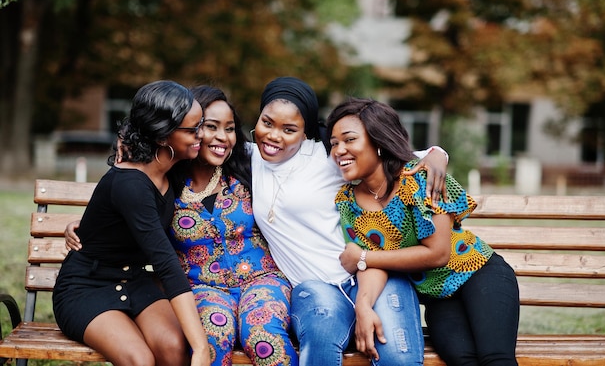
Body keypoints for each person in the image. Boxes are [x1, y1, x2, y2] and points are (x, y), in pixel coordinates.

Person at [250, 76, 449, 366]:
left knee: (396, 356)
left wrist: (437, 156)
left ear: (305, 131)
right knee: (320, 346)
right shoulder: (248, 157)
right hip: (317, 287)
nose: (274, 136)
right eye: (267, 123)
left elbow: (417, 155)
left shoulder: (328, 157)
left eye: (289, 129)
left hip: (373, 273)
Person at [326, 97, 520, 366]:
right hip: (439, 299)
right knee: (462, 360)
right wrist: (364, 304)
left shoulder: (420, 177)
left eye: (349, 139)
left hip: (479, 274)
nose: (339, 150)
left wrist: (363, 257)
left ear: (379, 142)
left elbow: (437, 253)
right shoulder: (348, 202)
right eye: (334, 143)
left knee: (495, 359)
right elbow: (371, 265)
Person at [53, 80, 212, 366]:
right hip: (87, 287)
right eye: (192, 129)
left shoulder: (175, 168)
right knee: (140, 359)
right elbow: (165, 263)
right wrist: (201, 348)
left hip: (135, 281)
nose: (200, 135)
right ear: (163, 137)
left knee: (174, 348)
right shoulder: (130, 183)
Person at [168, 85, 297, 365]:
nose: (222, 137)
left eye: (229, 128)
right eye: (211, 127)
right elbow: (126, 207)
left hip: (262, 279)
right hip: (201, 286)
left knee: (262, 334)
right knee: (214, 332)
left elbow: (305, 143)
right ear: (190, 129)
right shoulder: (166, 185)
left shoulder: (248, 168)